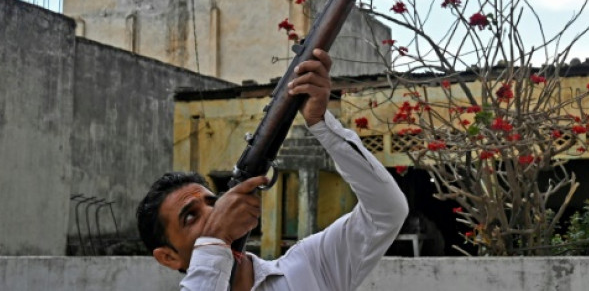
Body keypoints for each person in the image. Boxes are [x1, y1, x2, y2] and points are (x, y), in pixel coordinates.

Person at [136, 49, 408, 290]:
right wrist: (216, 237)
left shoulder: (310, 267)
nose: (214, 213)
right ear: (168, 257)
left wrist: (321, 124)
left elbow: (386, 212)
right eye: (191, 217)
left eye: (213, 202)